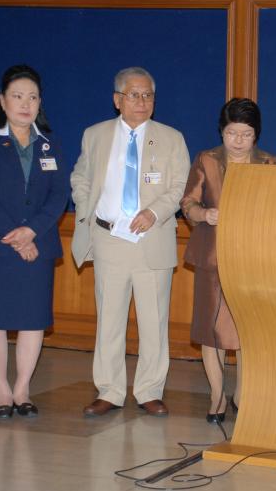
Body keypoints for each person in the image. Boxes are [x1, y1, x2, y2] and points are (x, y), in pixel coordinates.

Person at [70, 67, 190, 417]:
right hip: (109, 238)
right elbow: (80, 176)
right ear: (117, 100)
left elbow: (179, 185)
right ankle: (109, 390)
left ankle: (150, 390)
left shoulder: (171, 138)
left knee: (154, 321)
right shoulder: (95, 135)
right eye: (134, 94)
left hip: (152, 237)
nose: (142, 101)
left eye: (148, 95)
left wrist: (154, 212)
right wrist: (86, 206)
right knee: (109, 320)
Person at [0, 64, 70, 419]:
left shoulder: (49, 143)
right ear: (2, 100)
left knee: (32, 319)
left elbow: (59, 195)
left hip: (38, 245)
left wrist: (32, 231)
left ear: (40, 103)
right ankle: (1, 390)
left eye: (33, 97)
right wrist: (17, 236)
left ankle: (22, 389)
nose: (26, 104)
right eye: (18, 96)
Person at [181, 98, 276, 423]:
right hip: (212, 256)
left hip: (251, 259)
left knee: (247, 329)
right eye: (232, 133)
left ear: (256, 135)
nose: (238, 141)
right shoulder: (206, 159)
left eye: (246, 135)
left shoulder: (269, 163)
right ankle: (217, 395)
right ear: (222, 131)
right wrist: (204, 214)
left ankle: (242, 394)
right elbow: (188, 202)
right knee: (211, 329)